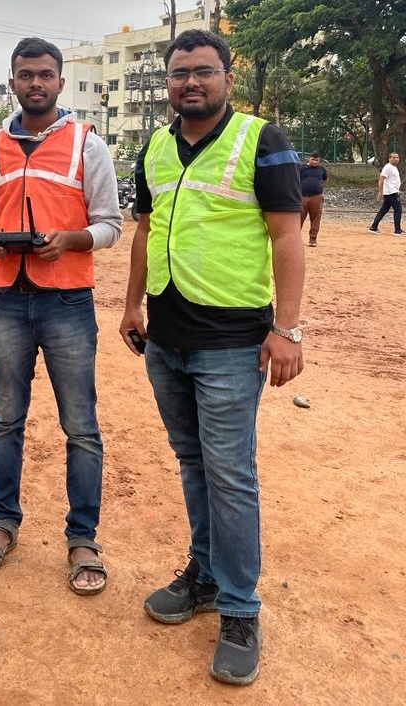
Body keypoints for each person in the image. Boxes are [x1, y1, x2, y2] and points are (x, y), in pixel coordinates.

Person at [120, 29, 304, 685]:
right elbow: (147, 230)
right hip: (165, 340)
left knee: (230, 475)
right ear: (167, 83)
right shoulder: (156, 149)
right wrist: (131, 304)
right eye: (179, 73)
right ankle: (203, 573)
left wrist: (288, 330)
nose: (190, 82)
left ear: (227, 75)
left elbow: (287, 238)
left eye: (203, 70)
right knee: (193, 463)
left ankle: (240, 609)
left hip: (231, 345)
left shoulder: (262, 140)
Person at [0, 37, 122, 595]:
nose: (36, 83)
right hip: (5, 297)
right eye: (26, 74)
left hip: (67, 302)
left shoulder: (88, 145)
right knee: (6, 419)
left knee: (80, 426)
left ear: (61, 81)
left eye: (46, 74)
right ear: (12, 81)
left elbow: (110, 224)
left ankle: (83, 538)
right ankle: (2, 524)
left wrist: (71, 239)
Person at [368, 152, 403, 235]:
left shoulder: (393, 167)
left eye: (397, 157)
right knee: (398, 210)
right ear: (389, 158)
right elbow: (381, 179)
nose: (396, 159)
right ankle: (398, 230)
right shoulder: (388, 167)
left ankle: (373, 227)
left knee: (383, 210)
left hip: (391, 191)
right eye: (394, 157)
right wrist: (381, 192)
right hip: (391, 192)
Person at [300, 151, 328, 247]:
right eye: (313, 159)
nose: (315, 162)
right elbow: (296, 179)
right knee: (298, 219)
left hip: (316, 197)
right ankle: (295, 239)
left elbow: (325, 179)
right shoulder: (302, 168)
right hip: (302, 197)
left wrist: (319, 187)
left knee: (316, 219)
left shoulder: (322, 169)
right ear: (309, 158)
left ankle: (313, 239)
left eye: (317, 160)